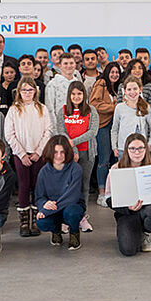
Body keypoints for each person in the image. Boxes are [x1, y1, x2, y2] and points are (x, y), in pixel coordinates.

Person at [104, 133, 151, 256]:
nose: (137, 152)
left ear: (146, 150)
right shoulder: (116, 169)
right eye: (132, 148)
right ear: (127, 150)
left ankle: (146, 232)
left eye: (140, 148)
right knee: (129, 250)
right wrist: (127, 208)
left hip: (148, 209)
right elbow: (108, 198)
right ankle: (133, 231)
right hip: (127, 213)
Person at [4, 76, 52, 238]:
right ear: (19, 91)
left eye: (30, 90)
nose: (27, 93)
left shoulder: (42, 108)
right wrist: (22, 153)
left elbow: (48, 131)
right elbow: (9, 134)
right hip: (21, 154)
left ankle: (36, 220)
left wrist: (39, 151)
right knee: (24, 186)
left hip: (39, 154)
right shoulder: (14, 109)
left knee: (38, 186)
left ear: (35, 91)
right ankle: (24, 221)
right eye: (24, 90)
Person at [55, 81, 98, 232]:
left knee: (84, 186)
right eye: (73, 94)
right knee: (68, 186)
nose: (76, 96)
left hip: (87, 153)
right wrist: (73, 149)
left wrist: (73, 142)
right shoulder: (63, 111)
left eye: (79, 93)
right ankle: (67, 218)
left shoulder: (91, 110)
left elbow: (93, 132)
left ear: (84, 95)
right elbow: (61, 131)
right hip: (68, 154)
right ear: (69, 95)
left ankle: (82, 217)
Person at [34, 135, 85, 250]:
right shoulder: (43, 172)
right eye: (55, 152)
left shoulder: (75, 169)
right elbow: (39, 197)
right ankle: (56, 231)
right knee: (41, 221)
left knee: (72, 213)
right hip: (53, 208)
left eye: (62, 152)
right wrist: (44, 205)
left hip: (72, 206)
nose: (59, 156)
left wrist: (47, 210)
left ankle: (74, 234)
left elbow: (72, 196)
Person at [89, 62, 121, 207]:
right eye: (112, 72)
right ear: (107, 72)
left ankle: (112, 191)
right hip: (103, 126)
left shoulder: (116, 87)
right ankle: (101, 193)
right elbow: (94, 104)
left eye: (117, 73)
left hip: (115, 126)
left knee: (115, 159)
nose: (115, 75)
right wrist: (115, 107)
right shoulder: (101, 83)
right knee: (103, 160)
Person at [111, 75, 151, 159]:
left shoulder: (146, 107)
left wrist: (150, 144)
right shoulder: (119, 107)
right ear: (124, 91)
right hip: (123, 149)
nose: (132, 92)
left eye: (135, 89)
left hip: (141, 150)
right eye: (129, 89)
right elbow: (114, 129)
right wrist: (114, 147)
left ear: (140, 89)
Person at [45, 52, 78, 133]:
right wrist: (55, 130)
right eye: (65, 63)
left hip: (77, 125)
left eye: (71, 63)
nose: (69, 66)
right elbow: (50, 109)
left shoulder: (78, 83)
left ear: (75, 64)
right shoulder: (52, 84)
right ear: (60, 66)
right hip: (59, 128)